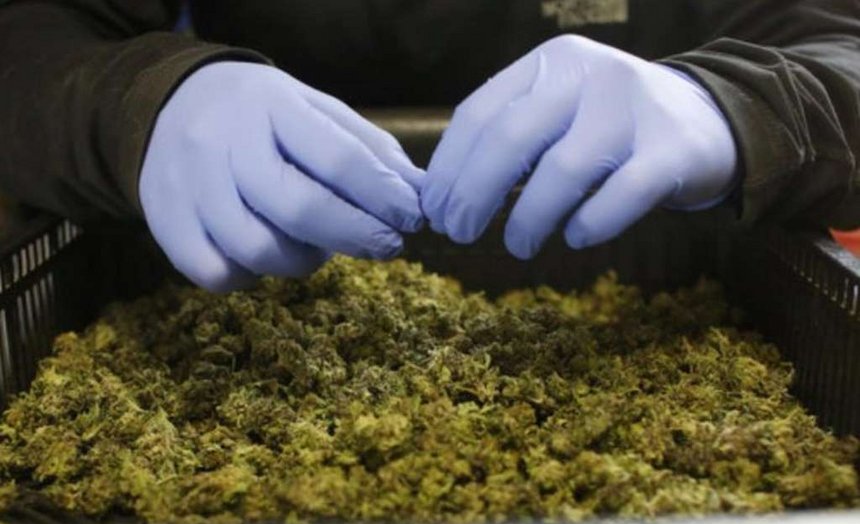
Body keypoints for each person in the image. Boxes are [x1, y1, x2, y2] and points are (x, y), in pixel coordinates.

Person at [0, 1, 858, 292]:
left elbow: (839, 43)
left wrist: (734, 107)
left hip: (658, 281)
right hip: (266, 278)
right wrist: (142, 102)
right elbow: (33, 35)